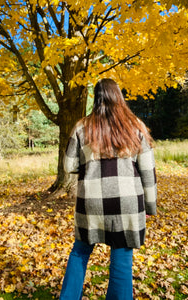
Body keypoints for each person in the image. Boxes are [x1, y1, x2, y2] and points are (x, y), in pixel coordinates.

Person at [60, 78, 157, 300]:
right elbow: (148, 172)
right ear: (119, 97)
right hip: (128, 203)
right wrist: (150, 205)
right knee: (122, 259)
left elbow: (69, 166)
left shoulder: (81, 126)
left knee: (80, 252)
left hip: (91, 202)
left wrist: (90, 166)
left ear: (96, 98)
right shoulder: (137, 126)